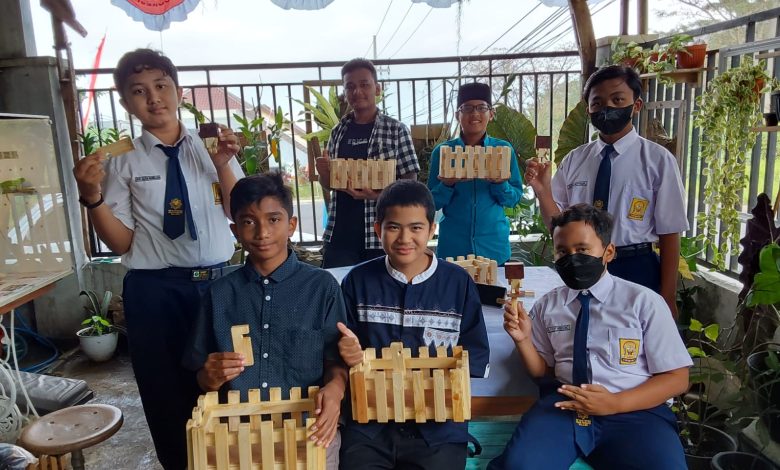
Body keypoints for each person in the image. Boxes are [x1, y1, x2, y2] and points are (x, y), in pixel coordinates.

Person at [72, 48, 243, 469]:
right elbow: (121, 242)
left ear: (178, 91)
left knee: (228, 383)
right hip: (155, 292)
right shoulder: (121, 159)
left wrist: (223, 165)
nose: (153, 98)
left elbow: (240, 213)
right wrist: (91, 196)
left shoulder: (212, 146)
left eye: (161, 86)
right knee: (165, 393)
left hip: (218, 285)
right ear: (126, 102)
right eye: (139, 91)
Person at [488, 204, 691, 469]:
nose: (572, 259)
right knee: (520, 466)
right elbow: (542, 372)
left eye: (582, 249)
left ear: (608, 252)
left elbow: (677, 378)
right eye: (563, 251)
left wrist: (615, 403)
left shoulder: (643, 302)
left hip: (635, 410)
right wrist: (523, 339)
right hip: (565, 406)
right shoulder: (548, 306)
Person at [183, 173, 347, 468]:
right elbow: (200, 373)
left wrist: (336, 390)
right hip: (237, 438)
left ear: (291, 225)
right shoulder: (218, 294)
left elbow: (336, 361)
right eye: (248, 221)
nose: (262, 232)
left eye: (273, 219)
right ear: (235, 230)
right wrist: (209, 377)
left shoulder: (322, 288)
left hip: (309, 433)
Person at [336, 180, 490, 469]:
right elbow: (342, 344)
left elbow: (473, 353)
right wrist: (347, 352)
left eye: (416, 227)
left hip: (438, 426)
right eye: (394, 227)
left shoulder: (458, 283)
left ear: (432, 229)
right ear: (378, 229)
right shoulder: (357, 281)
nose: (404, 238)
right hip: (370, 422)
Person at [525, 65, 688, 316]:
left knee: (635, 336)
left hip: (635, 268)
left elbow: (670, 232)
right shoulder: (575, 160)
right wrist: (542, 191)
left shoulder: (658, 160)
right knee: (585, 332)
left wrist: (667, 297)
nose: (607, 108)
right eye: (597, 103)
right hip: (582, 267)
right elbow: (557, 225)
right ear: (588, 109)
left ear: (636, 105)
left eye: (617, 99)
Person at [315, 58, 419, 268]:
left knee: (381, 288)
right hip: (341, 235)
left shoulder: (396, 130)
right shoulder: (338, 131)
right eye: (350, 86)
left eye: (364, 84)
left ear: (377, 89)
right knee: (337, 287)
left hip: (381, 236)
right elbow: (330, 185)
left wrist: (378, 195)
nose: (357, 92)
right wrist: (324, 173)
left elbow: (411, 183)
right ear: (345, 92)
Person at [427, 82, 523, 265]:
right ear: (458, 115)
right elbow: (430, 203)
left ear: (491, 114)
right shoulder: (443, 153)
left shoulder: (503, 150)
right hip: (453, 248)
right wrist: (447, 184)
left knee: (494, 285)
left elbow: (514, 199)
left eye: (481, 107)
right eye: (467, 108)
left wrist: (500, 183)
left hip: (493, 247)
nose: (475, 113)